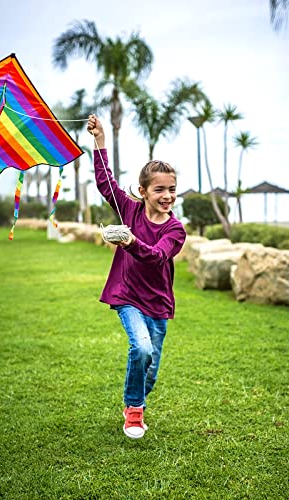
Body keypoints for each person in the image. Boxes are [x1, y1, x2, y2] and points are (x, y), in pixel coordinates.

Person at [87, 114, 186, 439]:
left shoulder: (175, 230)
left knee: (150, 371)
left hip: (157, 304)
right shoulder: (129, 210)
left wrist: (130, 242)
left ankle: (137, 398)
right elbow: (105, 183)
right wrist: (100, 140)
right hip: (127, 296)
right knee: (141, 349)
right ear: (143, 191)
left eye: (172, 189)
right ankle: (133, 411)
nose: (167, 195)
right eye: (159, 189)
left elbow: (156, 257)